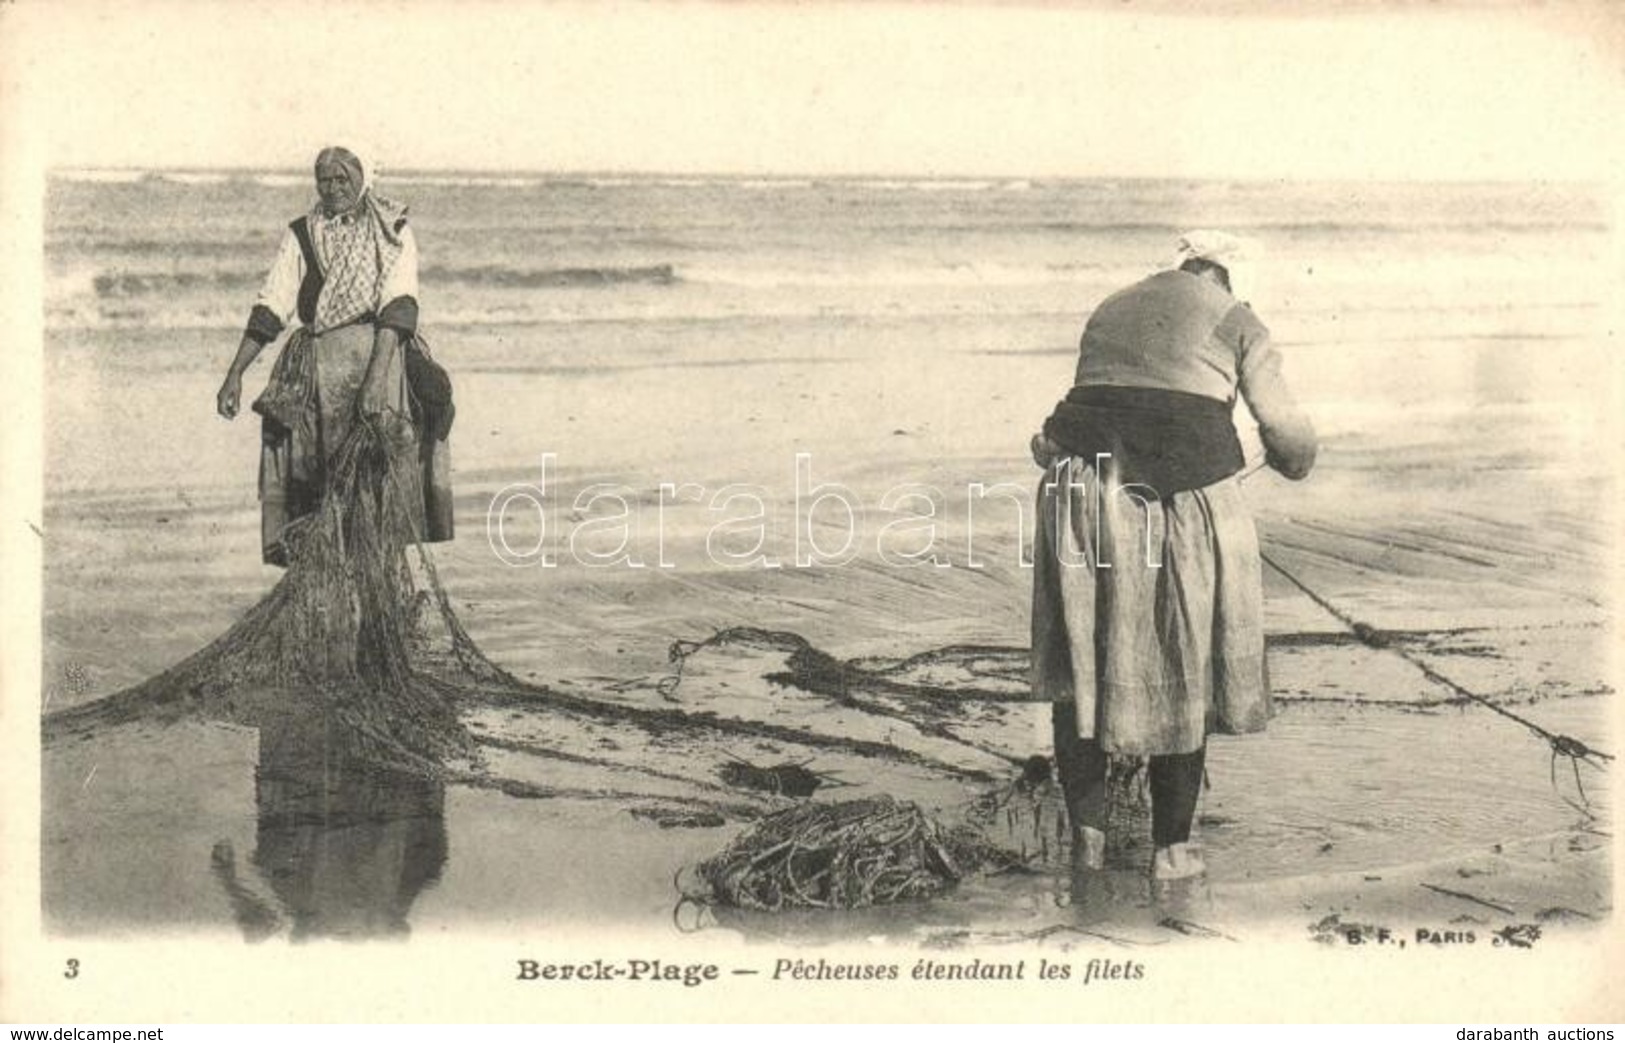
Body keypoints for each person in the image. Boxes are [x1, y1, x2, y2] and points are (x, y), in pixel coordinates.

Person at [1029, 230, 1316, 903]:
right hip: (1178, 503)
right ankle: (1172, 852)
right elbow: (1290, 439)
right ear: (1228, 279)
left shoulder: (1111, 304)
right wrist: (1288, 460)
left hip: (1082, 493)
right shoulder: (1238, 319)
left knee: (1085, 663)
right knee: (1181, 661)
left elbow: (1092, 405)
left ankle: (1088, 837)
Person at [216, 146, 453, 566]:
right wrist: (235, 373)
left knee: (375, 489)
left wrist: (376, 379)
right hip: (317, 370)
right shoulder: (301, 233)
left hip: (378, 360)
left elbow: (399, 305)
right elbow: (272, 307)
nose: (333, 188)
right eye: (324, 180)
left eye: (343, 178)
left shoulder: (392, 226)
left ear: (363, 179)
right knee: (313, 483)